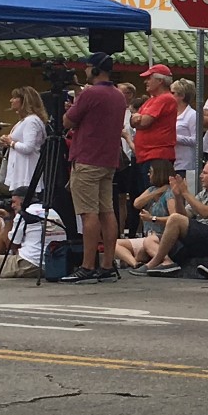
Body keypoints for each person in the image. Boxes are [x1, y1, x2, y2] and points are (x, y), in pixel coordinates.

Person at [60, 53, 129, 282]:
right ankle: (107, 264)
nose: (84, 71)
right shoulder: (119, 95)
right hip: (108, 159)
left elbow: (68, 121)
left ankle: (87, 265)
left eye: (87, 67)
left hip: (87, 158)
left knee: (88, 213)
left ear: (95, 70)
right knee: (107, 211)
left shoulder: (90, 93)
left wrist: (72, 105)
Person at [127, 163, 208, 276]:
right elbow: (184, 216)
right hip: (197, 235)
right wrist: (178, 197)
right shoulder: (203, 193)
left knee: (174, 218)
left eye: (204, 173)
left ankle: (155, 262)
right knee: (149, 240)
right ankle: (167, 262)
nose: (201, 176)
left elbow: (207, 212)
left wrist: (185, 193)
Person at [132, 64, 181, 186]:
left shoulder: (165, 99)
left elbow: (143, 122)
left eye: (149, 78)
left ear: (160, 80)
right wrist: (136, 120)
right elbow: (133, 121)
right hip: (147, 156)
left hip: (157, 156)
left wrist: (138, 119)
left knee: (154, 195)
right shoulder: (151, 100)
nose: (145, 81)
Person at [0, 87, 48, 195]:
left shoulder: (31, 121)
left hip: (26, 173)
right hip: (20, 172)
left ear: (24, 100)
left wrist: (11, 143)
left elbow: (28, 147)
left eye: (15, 98)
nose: (11, 100)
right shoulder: (24, 121)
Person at [172, 78, 199, 176]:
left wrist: (174, 138)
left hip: (185, 165)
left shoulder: (192, 115)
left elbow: (197, 140)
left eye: (173, 93)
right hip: (172, 162)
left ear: (182, 96)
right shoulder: (171, 113)